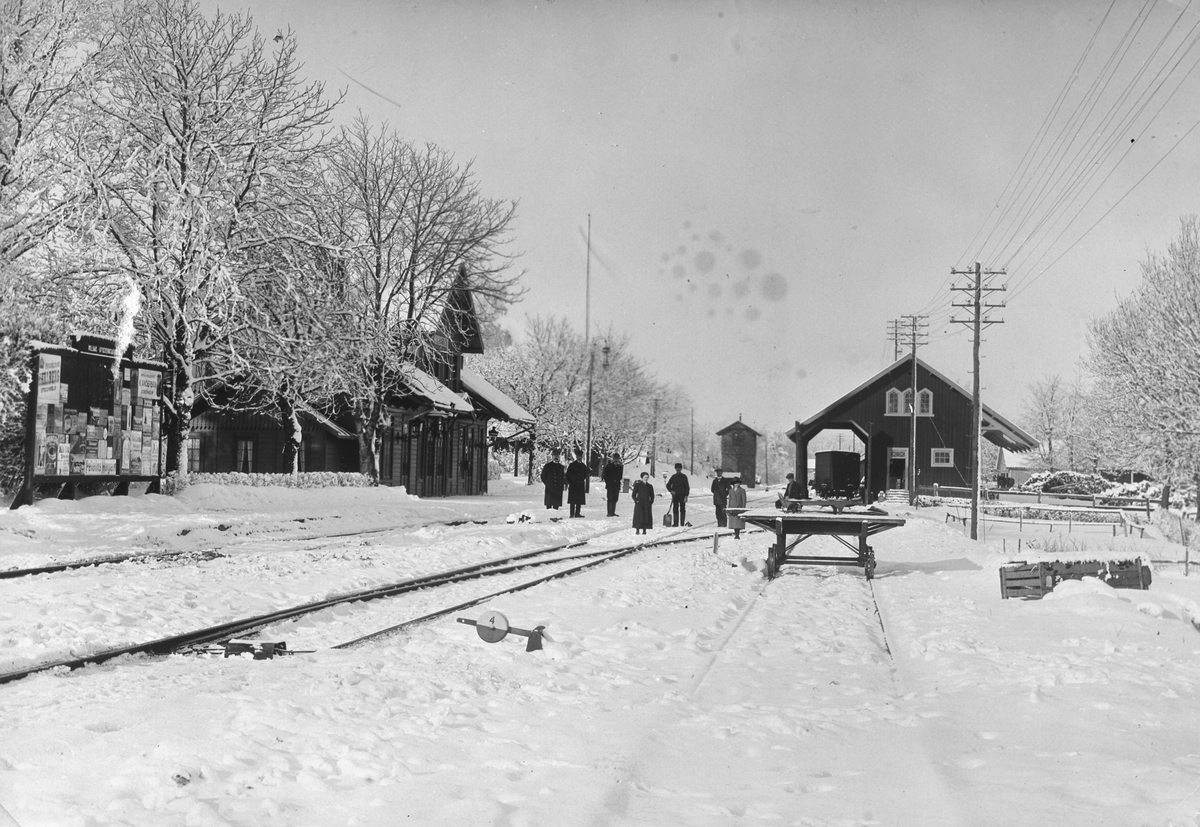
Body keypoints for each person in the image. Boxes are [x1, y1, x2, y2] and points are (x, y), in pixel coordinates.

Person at [565, 448, 589, 518]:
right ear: (576, 456)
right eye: (578, 456)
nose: (579, 457)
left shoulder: (583, 466)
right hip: (573, 485)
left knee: (579, 500)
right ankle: (572, 513)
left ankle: (577, 513)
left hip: (580, 485)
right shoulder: (572, 465)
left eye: (580, 456)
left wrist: (581, 480)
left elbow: (585, 475)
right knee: (572, 501)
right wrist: (570, 482)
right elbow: (568, 475)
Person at [665, 462, 690, 526]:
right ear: (675, 469)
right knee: (675, 509)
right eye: (677, 469)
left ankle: (682, 523)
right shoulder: (673, 477)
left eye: (679, 469)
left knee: (682, 509)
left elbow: (687, 487)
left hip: (682, 495)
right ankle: (675, 523)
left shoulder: (684, 477)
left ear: (681, 469)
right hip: (675, 495)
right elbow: (668, 485)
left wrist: (686, 496)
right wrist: (671, 491)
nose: (678, 470)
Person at [602, 452, 624, 517]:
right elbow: (605, 475)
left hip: (616, 485)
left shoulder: (620, 467)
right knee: (610, 498)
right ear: (613, 459)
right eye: (615, 458)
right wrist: (608, 482)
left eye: (617, 458)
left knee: (615, 498)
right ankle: (609, 512)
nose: (616, 460)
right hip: (610, 485)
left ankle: (613, 512)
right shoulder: (609, 466)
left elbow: (620, 476)